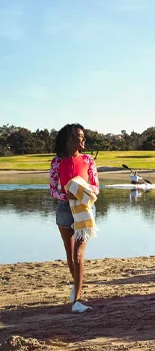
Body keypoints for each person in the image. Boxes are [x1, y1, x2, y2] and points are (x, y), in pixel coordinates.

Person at [48, 123, 99, 313]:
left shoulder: (88, 160)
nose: (84, 139)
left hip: (84, 209)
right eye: (80, 136)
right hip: (64, 209)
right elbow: (53, 189)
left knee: (78, 254)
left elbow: (96, 187)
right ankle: (76, 289)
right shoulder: (56, 161)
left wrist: (81, 190)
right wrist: (65, 196)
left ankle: (77, 300)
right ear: (70, 139)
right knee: (70, 256)